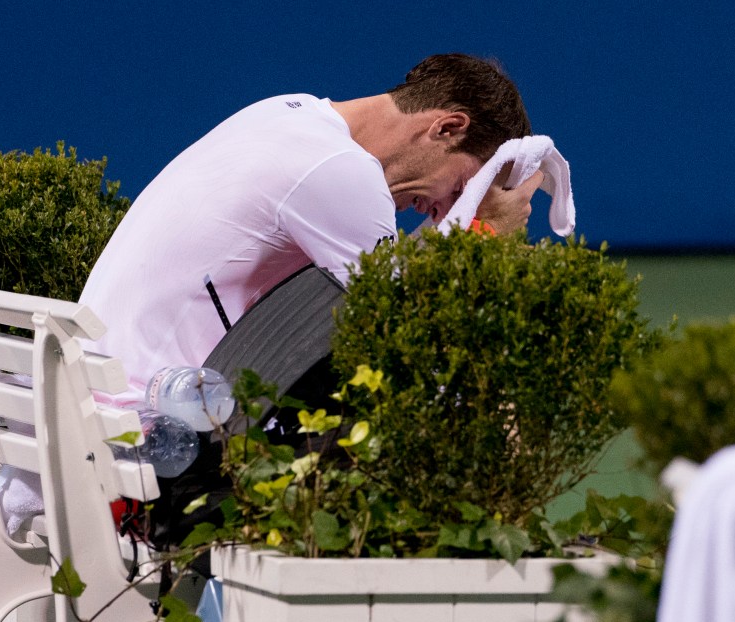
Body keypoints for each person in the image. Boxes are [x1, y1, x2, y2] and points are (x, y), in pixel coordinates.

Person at [79, 53, 543, 401]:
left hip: (99, 406)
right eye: (462, 188)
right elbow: (415, 339)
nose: (441, 213)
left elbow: (400, 276)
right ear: (447, 128)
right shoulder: (342, 172)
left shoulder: (287, 111)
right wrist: (492, 234)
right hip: (150, 434)